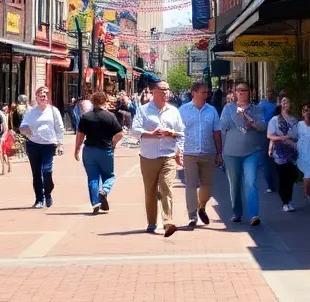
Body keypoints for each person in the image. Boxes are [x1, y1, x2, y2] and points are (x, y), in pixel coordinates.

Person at [132, 79, 184, 237]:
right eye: (162, 90)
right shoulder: (143, 110)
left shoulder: (174, 111)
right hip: (148, 156)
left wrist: (176, 143)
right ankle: (152, 222)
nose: (166, 93)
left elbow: (182, 132)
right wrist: (151, 134)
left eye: (167, 90)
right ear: (153, 92)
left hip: (168, 155)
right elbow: (134, 130)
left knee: (166, 188)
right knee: (151, 190)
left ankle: (168, 221)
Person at [220, 81, 267, 226]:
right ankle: (237, 213)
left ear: (250, 92)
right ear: (234, 93)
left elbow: (262, 126)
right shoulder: (228, 109)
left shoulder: (257, 109)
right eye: (238, 90)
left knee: (250, 182)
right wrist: (236, 113)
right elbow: (223, 126)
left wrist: (247, 118)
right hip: (231, 152)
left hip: (251, 151)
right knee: (235, 184)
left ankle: (254, 215)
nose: (241, 93)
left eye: (244, 90)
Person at [178, 81, 222, 228]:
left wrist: (219, 152)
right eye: (203, 92)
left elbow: (217, 132)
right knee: (190, 185)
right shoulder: (183, 110)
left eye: (207, 92)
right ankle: (192, 216)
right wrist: (178, 150)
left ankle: (201, 206)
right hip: (189, 152)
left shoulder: (212, 111)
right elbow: (179, 132)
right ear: (194, 93)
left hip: (208, 153)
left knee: (207, 187)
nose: (206, 95)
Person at [74, 90, 124, 214]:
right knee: (109, 176)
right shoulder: (110, 116)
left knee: (92, 177)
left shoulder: (85, 117)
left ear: (92, 102)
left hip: (89, 150)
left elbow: (80, 135)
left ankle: (95, 202)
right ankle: (105, 190)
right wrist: (112, 143)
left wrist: (77, 149)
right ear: (104, 101)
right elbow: (120, 133)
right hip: (105, 150)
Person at [20, 86, 65, 208]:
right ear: (36, 97)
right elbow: (23, 125)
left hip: (49, 145)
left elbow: (59, 128)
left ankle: (48, 192)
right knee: (36, 173)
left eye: (45, 95)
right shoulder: (31, 112)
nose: (43, 97)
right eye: (40, 95)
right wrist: (24, 129)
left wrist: (60, 144)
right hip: (33, 144)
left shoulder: (53, 111)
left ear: (48, 98)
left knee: (47, 171)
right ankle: (39, 199)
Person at [266, 95, 301, 212]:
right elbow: (270, 135)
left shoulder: (294, 120)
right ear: (280, 103)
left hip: (293, 152)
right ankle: (285, 202)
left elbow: (298, 136)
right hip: (280, 152)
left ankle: (289, 200)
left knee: (291, 177)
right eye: (284, 101)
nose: (286, 103)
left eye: (288, 101)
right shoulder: (275, 120)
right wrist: (284, 137)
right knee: (282, 178)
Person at [257, 89, 278, 193]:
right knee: (268, 158)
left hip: (271, 134)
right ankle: (272, 183)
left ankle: (273, 183)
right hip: (268, 134)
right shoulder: (264, 105)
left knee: (269, 159)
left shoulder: (274, 105)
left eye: (271, 92)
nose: (270, 94)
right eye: (269, 92)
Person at [0, 101, 16, 174]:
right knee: (4, 153)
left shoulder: (9, 115)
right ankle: (5, 168)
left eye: (6, 108)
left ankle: (7, 167)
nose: (5, 110)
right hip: (5, 135)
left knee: (6, 152)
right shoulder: (4, 115)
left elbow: (8, 127)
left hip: (6, 136)